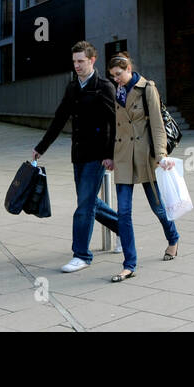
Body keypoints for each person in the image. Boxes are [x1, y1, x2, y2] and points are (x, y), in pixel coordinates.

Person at [32, 41, 118, 274]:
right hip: (78, 154)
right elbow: (59, 119)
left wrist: (110, 155)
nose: (77, 65)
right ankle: (123, 229)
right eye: (74, 62)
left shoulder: (104, 87)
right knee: (88, 201)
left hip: (97, 156)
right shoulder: (72, 88)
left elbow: (114, 123)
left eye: (81, 61)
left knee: (84, 206)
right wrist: (42, 147)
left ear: (92, 60)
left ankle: (81, 255)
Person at [103, 52, 178, 282]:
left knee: (158, 208)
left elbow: (157, 125)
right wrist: (109, 156)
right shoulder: (116, 92)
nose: (116, 79)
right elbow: (113, 127)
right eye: (112, 76)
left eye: (118, 74)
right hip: (123, 157)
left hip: (146, 157)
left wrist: (162, 154)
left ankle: (173, 238)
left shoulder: (147, 89)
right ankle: (129, 264)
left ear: (128, 68)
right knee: (124, 212)